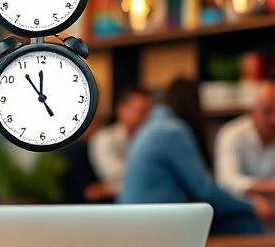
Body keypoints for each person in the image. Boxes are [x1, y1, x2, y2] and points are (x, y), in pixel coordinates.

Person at [118, 78, 261, 235]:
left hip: (133, 222)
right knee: (248, 223)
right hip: (152, 226)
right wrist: (251, 206)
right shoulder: (172, 131)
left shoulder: (153, 126)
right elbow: (204, 190)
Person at [214, 81, 275, 223]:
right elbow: (227, 181)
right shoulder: (231, 134)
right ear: (251, 112)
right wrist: (265, 190)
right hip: (241, 215)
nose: (274, 119)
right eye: (267, 112)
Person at [88, 88, 152, 198]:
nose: (146, 118)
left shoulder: (149, 140)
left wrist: (107, 189)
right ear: (121, 109)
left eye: (148, 113)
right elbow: (113, 174)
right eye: (141, 111)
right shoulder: (104, 138)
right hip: (113, 204)